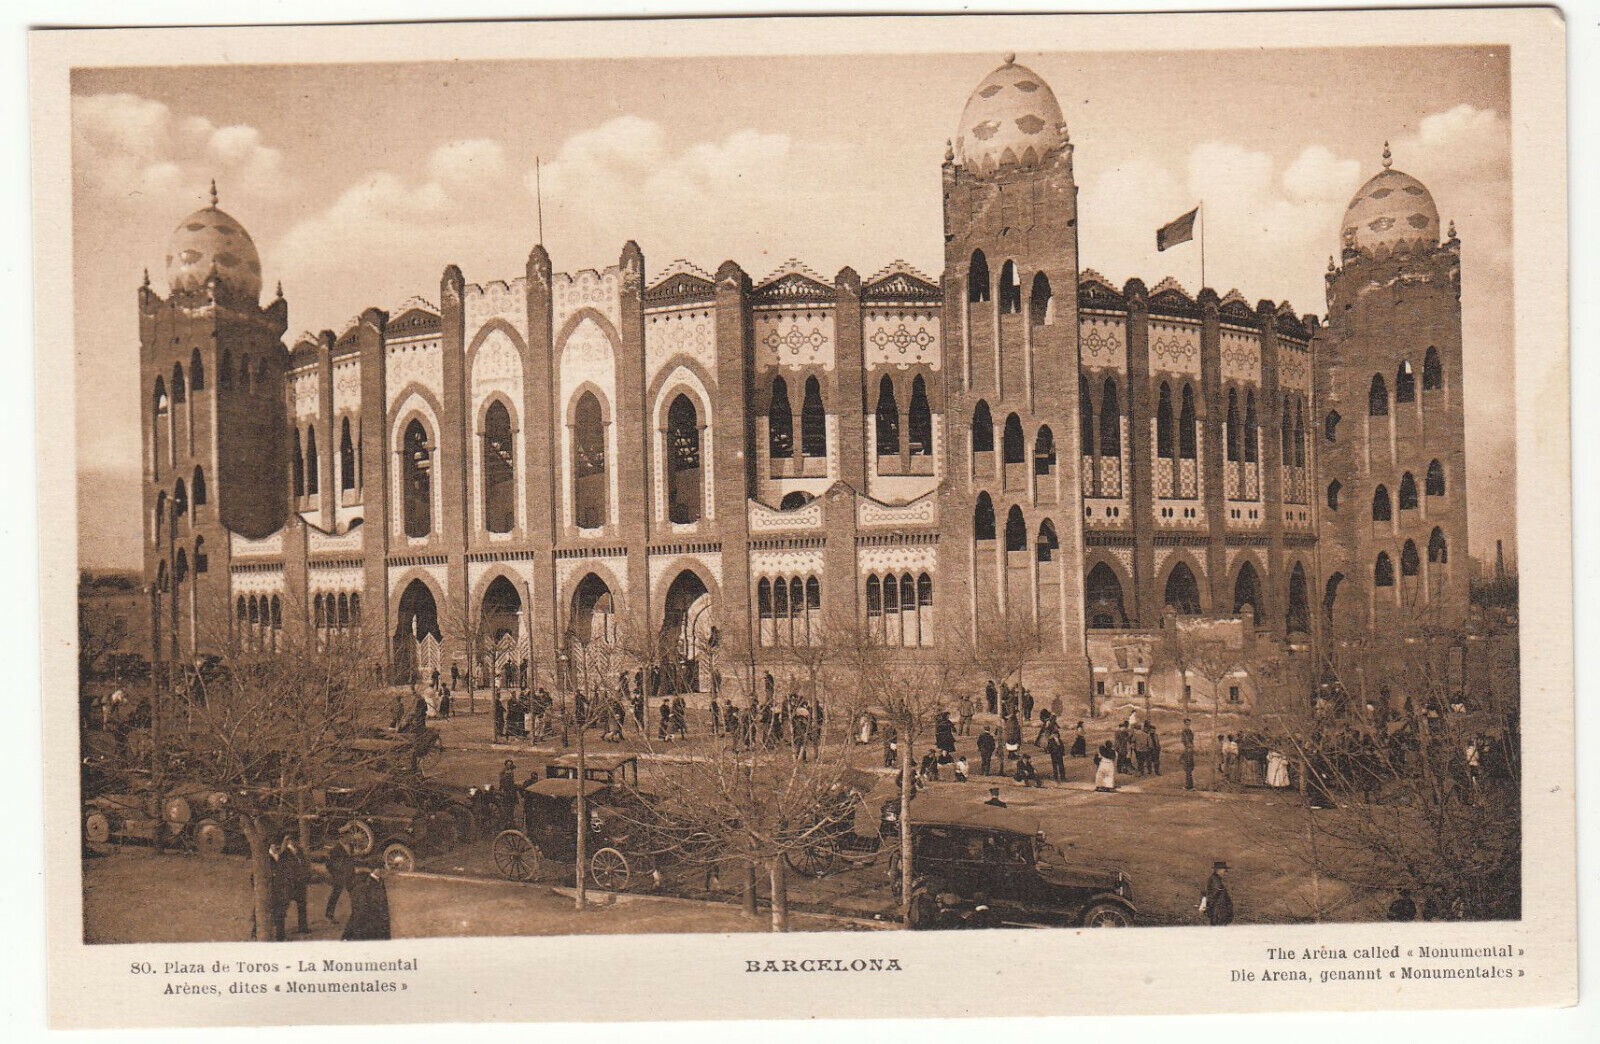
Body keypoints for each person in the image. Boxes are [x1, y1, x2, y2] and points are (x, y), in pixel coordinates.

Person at [343, 869, 391, 941]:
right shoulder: (367, 884)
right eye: (383, 868)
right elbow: (359, 912)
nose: (387, 871)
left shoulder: (378, 882)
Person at [280, 835, 309, 936]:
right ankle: (281, 931)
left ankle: (303, 927)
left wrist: (305, 875)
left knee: (302, 905)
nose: (293, 842)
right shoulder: (284, 853)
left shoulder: (299, 851)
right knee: (284, 906)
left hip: (300, 883)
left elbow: (304, 864)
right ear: (287, 841)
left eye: (295, 839)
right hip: (290, 883)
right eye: (291, 840)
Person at [324, 836, 356, 922]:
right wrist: (335, 874)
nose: (349, 838)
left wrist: (353, 872)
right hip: (339, 876)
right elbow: (328, 864)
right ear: (341, 838)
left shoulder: (351, 846)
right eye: (347, 836)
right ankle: (329, 915)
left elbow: (351, 860)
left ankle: (356, 913)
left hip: (350, 875)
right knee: (335, 895)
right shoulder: (335, 849)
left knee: (354, 894)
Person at [1201, 861, 1234, 925]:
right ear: (1219, 870)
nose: (1225, 872)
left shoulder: (1215, 879)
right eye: (1224, 870)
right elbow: (1213, 895)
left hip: (1218, 912)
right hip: (1218, 913)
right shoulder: (1215, 880)